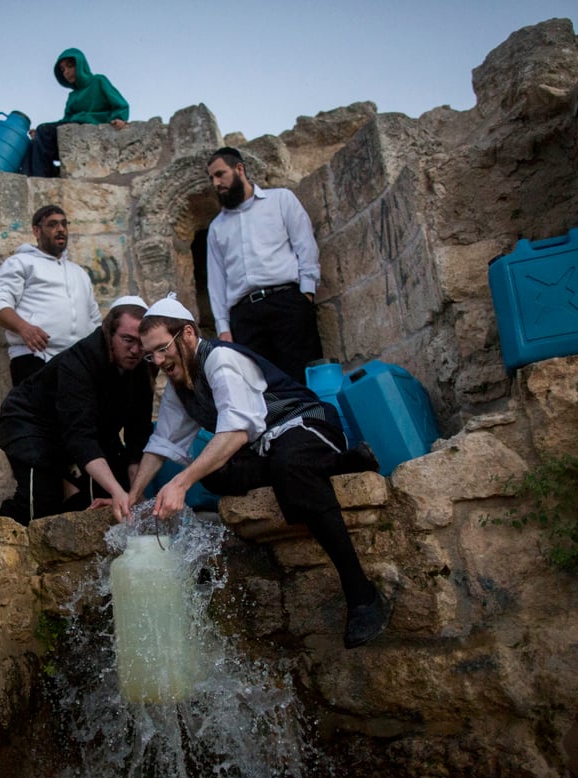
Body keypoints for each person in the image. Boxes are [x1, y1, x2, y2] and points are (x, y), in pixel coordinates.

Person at [128, 293, 389, 650]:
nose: (157, 361)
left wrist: (180, 481)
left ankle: (362, 595)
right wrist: (132, 498)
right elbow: (162, 444)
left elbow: (236, 431)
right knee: (217, 476)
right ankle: (339, 466)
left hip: (305, 424)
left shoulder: (220, 360)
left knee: (289, 466)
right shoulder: (179, 385)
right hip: (271, 449)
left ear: (187, 334)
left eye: (161, 348)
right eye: (149, 354)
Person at [0, 296, 154, 525]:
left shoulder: (142, 368)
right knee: (39, 505)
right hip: (29, 423)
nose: (135, 350)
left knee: (113, 494)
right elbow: (80, 435)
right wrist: (118, 491)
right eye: (127, 340)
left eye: (142, 342)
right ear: (109, 333)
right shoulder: (80, 361)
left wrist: (134, 492)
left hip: (87, 429)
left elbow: (138, 435)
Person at [205, 146, 324, 384]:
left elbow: (305, 246)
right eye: (212, 178)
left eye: (220, 174)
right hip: (244, 318)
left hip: (286, 303)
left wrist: (306, 295)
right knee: (261, 389)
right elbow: (216, 282)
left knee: (303, 379)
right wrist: (223, 328)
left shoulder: (281, 199)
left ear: (239, 169)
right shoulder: (216, 228)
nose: (216, 183)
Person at [0, 204, 102, 386]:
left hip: (76, 364)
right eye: (53, 224)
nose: (61, 230)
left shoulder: (79, 273)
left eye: (64, 224)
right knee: (38, 415)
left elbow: (95, 319)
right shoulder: (20, 262)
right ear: (36, 231)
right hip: (33, 359)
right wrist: (24, 328)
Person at [18, 47, 129, 179]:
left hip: (90, 126)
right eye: (63, 69)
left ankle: (41, 178)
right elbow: (65, 121)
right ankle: (27, 179)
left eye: (70, 66)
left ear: (80, 64)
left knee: (44, 130)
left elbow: (120, 104)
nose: (66, 72)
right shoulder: (73, 96)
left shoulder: (98, 81)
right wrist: (40, 135)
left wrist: (118, 118)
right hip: (71, 128)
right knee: (33, 143)